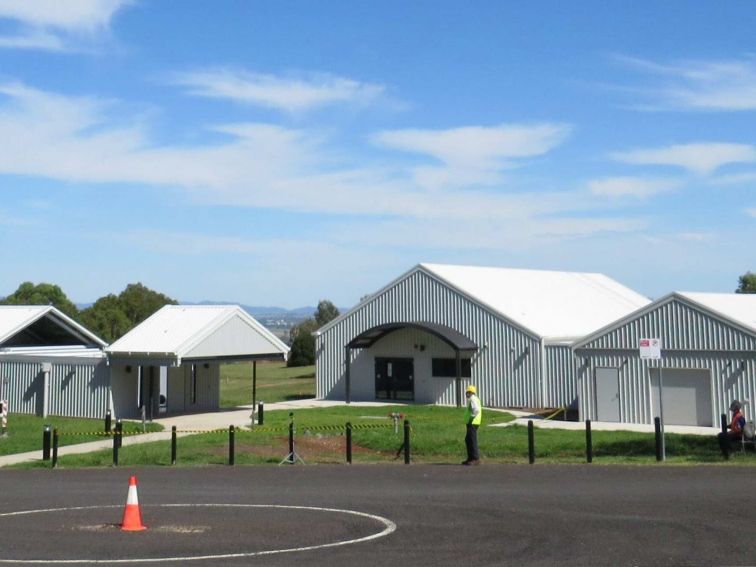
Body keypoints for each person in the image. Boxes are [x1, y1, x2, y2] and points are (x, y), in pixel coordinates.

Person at [462, 385, 482, 465]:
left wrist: (471, 418)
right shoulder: (474, 399)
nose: (467, 394)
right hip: (472, 422)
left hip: (473, 422)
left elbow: (476, 410)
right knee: (468, 439)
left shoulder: (472, 399)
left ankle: (475, 459)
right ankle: (470, 458)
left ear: (471, 392)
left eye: (468, 392)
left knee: (472, 440)